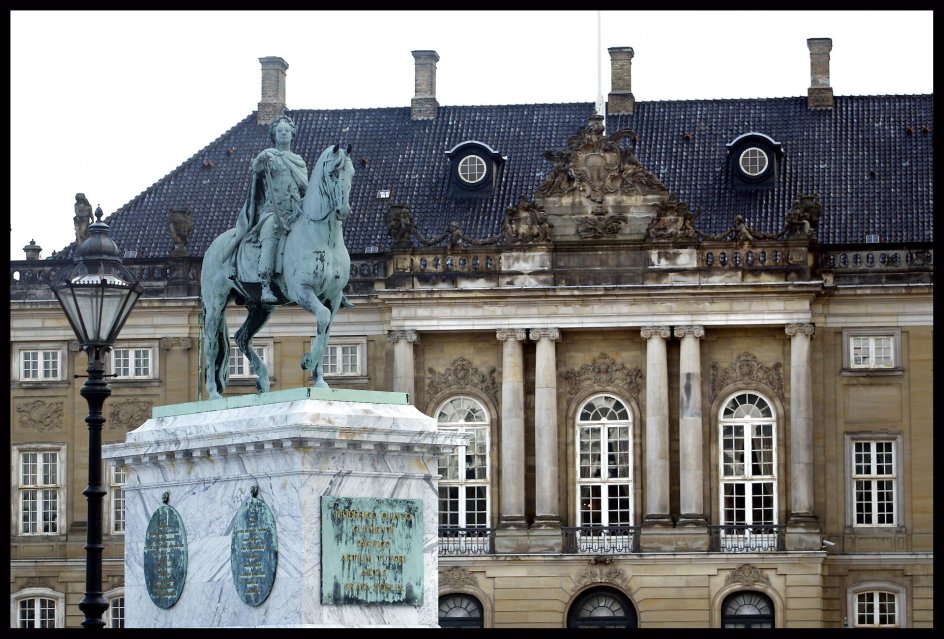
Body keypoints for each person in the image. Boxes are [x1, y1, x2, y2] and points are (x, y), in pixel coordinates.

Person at [230, 114, 309, 303]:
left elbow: (305, 188)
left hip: (295, 212)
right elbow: (255, 169)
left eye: (286, 131)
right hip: (273, 212)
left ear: (292, 134)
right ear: (274, 135)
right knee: (270, 236)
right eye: (280, 131)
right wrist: (260, 158)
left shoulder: (299, 161)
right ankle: (265, 284)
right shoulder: (270, 156)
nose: (283, 134)